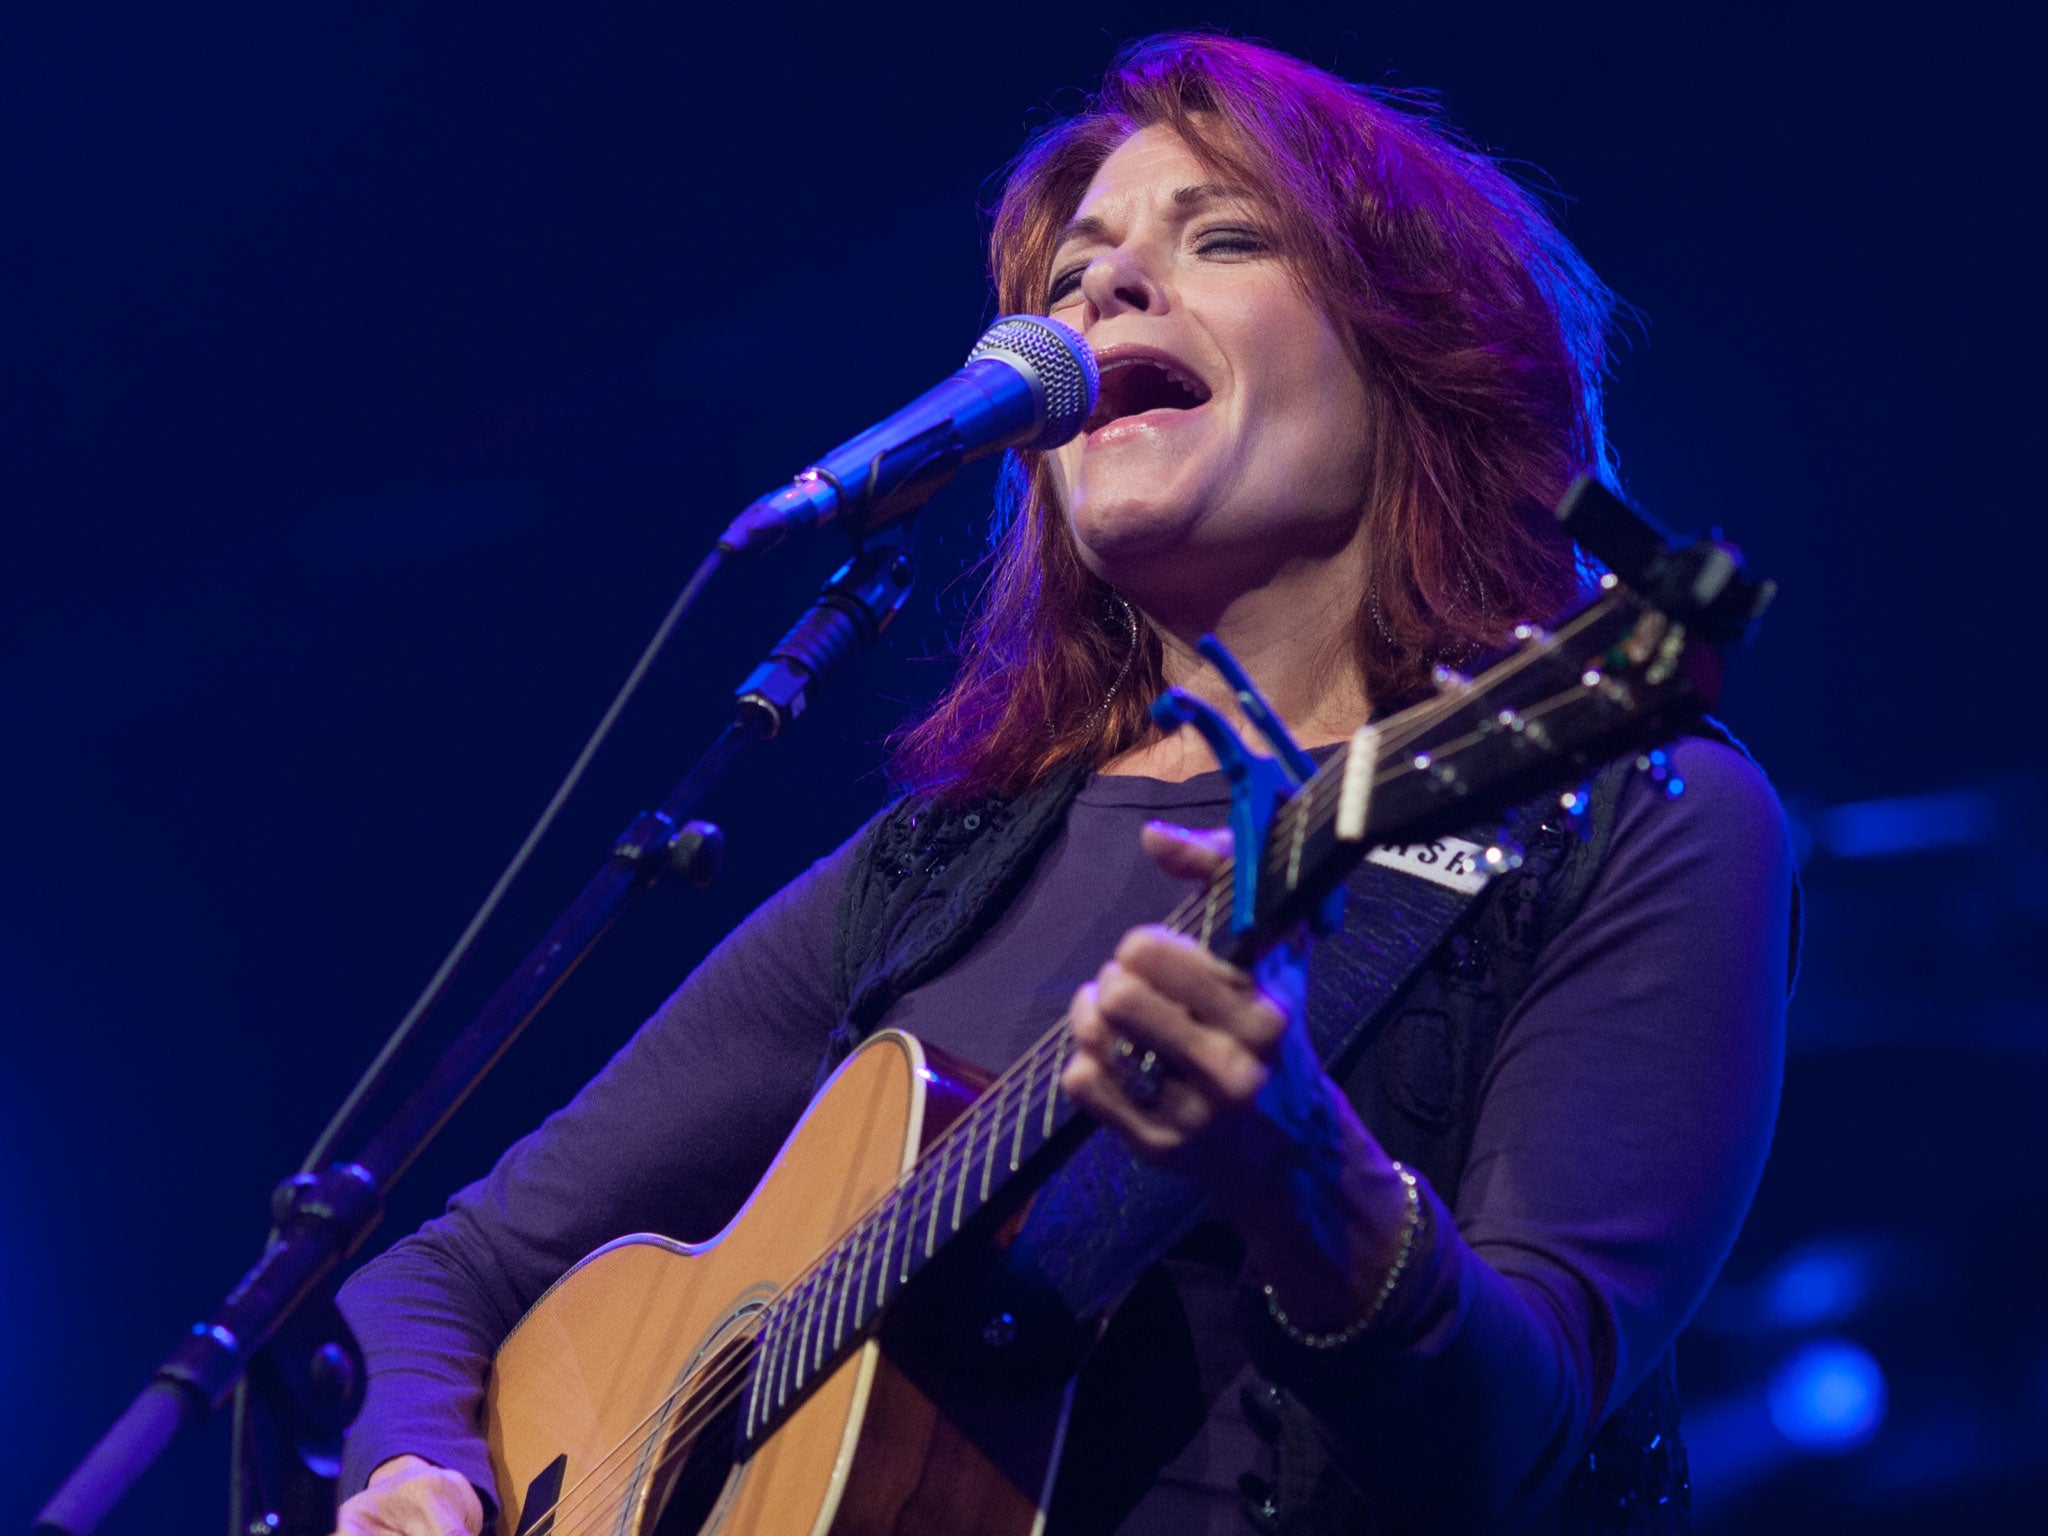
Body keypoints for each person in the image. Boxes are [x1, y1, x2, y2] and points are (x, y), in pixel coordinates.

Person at [330, 32, 1795, 1536]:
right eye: (1073, 271)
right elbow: (444, 1274)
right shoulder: (939, 863)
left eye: (1224, 238)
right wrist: (417, 1465)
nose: (1097, 295)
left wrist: (1300, 1171)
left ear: (1426, 363)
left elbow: (1524, 1437)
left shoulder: (1624, 814)